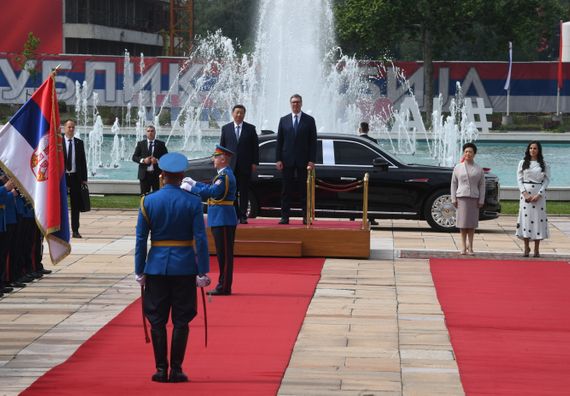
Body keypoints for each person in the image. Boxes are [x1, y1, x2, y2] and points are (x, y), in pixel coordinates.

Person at [134, 152, 210, 383]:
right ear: (182, 176)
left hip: (156, 268)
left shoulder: (148, 201)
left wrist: (139, 270)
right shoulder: (193, 201)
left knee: (157, 319)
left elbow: (140, 239)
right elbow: (201, 238)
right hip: (185, 267)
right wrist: (202, 271)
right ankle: (176, 369)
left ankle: (160, 369)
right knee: (181, 319)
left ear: (163, 175)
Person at [181, 145, 237, 296]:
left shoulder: (225, 176)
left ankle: (224, 286)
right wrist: (194, 183)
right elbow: (210, 188)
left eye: (216, 156)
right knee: (222, 254)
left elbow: (212, 192)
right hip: (220, 218)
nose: (213, 159)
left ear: (223, 159)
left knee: (224, 255)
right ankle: (223, 285)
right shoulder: (222, 175)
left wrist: (191, 188)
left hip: (223, 218)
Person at [276, 94, 317, 224]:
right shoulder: (284, 120)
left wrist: (311, 160)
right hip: (287, 161)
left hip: (303, 161)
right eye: (293, 102)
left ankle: (305, 216)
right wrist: (278, 159)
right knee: (286, 191)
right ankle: (285, 217)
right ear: (290, 104)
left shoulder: (309, 120)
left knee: (303, 191)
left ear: (301, 104)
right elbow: (279, 142)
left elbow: (313, 142)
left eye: (298, 102)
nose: (296, 104)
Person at [220, 104, 259, 224]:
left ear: (244, 114)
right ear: (232, 113)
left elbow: (255, 148)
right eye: (237, 112)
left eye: (241, 113)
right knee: (232, 191)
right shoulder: (226, 128)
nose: (239, 115)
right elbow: (222, 148)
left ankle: (243, 215)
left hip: (245, 165)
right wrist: (222, 163)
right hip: (230, 166)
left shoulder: (250, 128)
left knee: (244, 191)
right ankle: (234, 214)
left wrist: (254, 163)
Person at [515, 141, 550, 257]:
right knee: (525, 220)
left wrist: (539, 194)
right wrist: (524, 193)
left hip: (539, 196)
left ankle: (536, 249)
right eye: (530, 148)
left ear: (538, 150)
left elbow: (546, 180)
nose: (532, 150)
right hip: (525, 196)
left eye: (535, 148)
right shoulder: (522, 163)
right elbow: (519, 179)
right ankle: (526, 247)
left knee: (538, 220)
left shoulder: (544, 164)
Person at [451, 142, 485, 255]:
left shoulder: (479, 169)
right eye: (466, 151)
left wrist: (481, 200)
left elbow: (482, 185)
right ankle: (463, 247)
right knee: (462, 224)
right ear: (463, 153)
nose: (468, 153)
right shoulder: (458, 167)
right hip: (461, 198)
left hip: (474, 198)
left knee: (471, 224)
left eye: (470, 152)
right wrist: (453, 198)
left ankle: (470, 247)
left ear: (474, 154)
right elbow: (453, 184)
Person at [62, 119, 88, 238]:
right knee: (61, 204)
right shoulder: (58, 142)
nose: (71, 129)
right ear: (64, 128)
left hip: (75, 178)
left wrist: (84, 178)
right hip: (62, 178)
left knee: (75, 205)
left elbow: (83, 162)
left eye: (73, 127)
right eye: (69, 127)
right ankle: (60, 229)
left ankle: (75, 230)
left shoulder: (79, 143)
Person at [132, 125, 168, 195]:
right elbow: (134, 157)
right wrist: (143, 160)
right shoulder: (141, 144)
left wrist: (157, 161)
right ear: (146, 133)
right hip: (144, 175)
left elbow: (166, 158)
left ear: (155, 132)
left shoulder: (161, 144)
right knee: (144, 196)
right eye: (148, 131)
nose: (150, 133)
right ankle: (144, 206)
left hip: (156, 175)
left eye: (152, 131)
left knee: (157, 196)